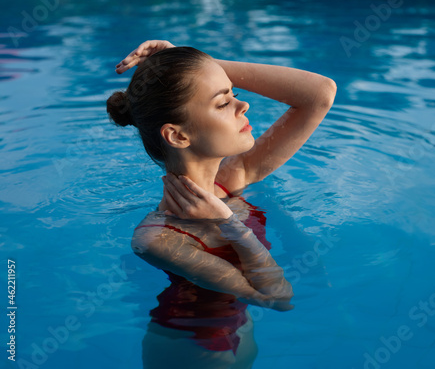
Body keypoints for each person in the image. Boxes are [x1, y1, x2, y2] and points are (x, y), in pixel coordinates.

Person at [107, 40, 336, 369]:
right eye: (222, 102)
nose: (243, 107)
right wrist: (229, 221)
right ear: (178, 136)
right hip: (188, 350)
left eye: (235, 95)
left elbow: (320, 93)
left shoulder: (234, 176)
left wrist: (194, 67)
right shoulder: (158, 238)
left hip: (242, 335)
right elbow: (276, 296)